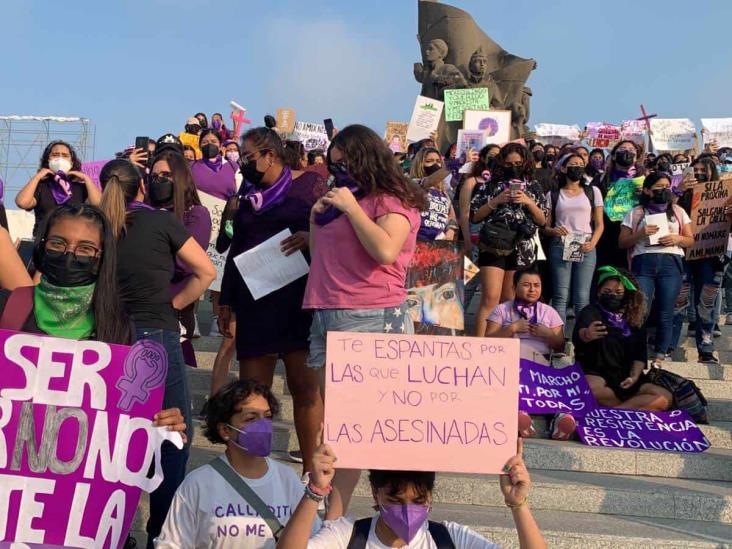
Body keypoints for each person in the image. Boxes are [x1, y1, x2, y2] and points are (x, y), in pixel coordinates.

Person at [99, 159, 216, 547]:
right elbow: (206, 272)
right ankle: (162, 533)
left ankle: (105, 529)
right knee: (174, 434)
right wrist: (174, 305)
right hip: (156, 335)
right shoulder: (162, 222)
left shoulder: (94, 226)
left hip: (107, 337)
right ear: (143, 189)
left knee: (111, 434)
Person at [218, 127, 327, 474]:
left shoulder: (309, 186)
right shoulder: (245, 195)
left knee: (305, 389)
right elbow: (234, 246)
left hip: (298, 302)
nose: (245, 164)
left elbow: (333, 231)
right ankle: (254, 470)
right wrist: (226, 300)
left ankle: (313, 472)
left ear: (271, 155)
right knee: (253, 394)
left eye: (249, 157)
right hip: (256, 303)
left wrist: (312, 238)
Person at [275, 437, 547, 549]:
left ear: (430, 496)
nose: (407, 510)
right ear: (375, 494)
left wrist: (518, 504)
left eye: (418, 501)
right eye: (395, 500)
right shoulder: (347, 536)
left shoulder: (449, 539)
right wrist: (315, 491)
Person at [155, 380, 322, 548]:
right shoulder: (198, 484)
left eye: (268, 416)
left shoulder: (287, 479)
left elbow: (315, 538)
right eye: (251, 418)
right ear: (225, 430)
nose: (263, 426)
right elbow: (170, 544)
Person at [470, 143, 547, 337]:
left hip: (521, 247)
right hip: (494, 244)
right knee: (490, 298)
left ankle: (502, 347)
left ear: (526, 163)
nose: (513, 167)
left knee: (509, 299)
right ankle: (479, 346)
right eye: (509, 163)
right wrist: (496, 201)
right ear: (501, 163)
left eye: (518, 163)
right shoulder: (490, 185)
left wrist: (528, 201)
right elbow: (475, 216)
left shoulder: (534, 186)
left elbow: (542, 220)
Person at [573, 266, 672, 411]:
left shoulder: (635, 317)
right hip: (596, 372)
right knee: (590, 390)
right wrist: (587, 334)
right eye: (607, 292)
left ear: (626, 293)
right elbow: (580, 334)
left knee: (664, 397)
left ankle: (618, 411)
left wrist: (634, 376)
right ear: (599, 291)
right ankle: (630, 410)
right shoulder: (590, 311)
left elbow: (640, 355)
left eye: (618, 292)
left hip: (627, 377)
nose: (613, 295)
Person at [619, 172, 692, 364]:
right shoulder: (636, 212)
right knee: (641, 308)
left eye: (667, 186)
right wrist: (641, 234)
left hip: (671, 263)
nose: (664, 190)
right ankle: (637, 352)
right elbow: (622, 242)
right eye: (659, 187)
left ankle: (660, 353)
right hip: (644, 262)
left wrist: (677, 238)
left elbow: (690, 239)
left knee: (666, 310)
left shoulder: (678, 211)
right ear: (647, 190)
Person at [150, 151, 212, 340]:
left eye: (166, 176)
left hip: (174, 308)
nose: (159, 181)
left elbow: (183, 264)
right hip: (143, 306)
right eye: (154, 177)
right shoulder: (146, 212)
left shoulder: (196, 214)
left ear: (180, 178)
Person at [673, 157, 729, 363]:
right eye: (694, 169)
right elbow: (664, 212)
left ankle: (705, 349)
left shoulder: (724, 196)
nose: (697, 173)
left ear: (711, 172)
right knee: (679, 301)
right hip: (684, 256)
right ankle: (669, 345)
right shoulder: (679, 193)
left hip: (710, 258)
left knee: (705, 305)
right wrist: (678, 191)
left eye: (702, 170)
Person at [544, 153, 604, 325]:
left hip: (585, 244)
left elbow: (599, 224)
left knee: (582, 296)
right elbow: (546, 226)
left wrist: (593, 242)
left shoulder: (593, 191)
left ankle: (582, 340)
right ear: (563, 168)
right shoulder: (553, 194)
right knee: (561, 295)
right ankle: (558, 341)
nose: (577, 167)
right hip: (561, 244)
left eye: (580, 164)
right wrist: (554, 231)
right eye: (573, 164)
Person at [15, 140, 102, 235]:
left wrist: (86, 179)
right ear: (48, 160)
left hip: (74, 240)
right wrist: (37, 177)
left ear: (71, 162)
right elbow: (22, 203)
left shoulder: (81, 187)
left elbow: (98, 204)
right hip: (44, 240)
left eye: (65, 155)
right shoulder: (41, 186)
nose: (60, 158)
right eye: (55, 155)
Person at [485, 266, 564, 358]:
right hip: (508, 359)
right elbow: (487, 343)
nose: (532, 290)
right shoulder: (501, 309)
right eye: (526, 285)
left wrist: (549, 334)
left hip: (540, 363)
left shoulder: (549, 312)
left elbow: (560, 347)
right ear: (514, 287)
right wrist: (511, 329)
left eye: (536, 285)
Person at [593, 140, 645, 269]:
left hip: (635, 233)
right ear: (614, 155)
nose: (627, 152)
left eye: (631, 150)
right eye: (622, 149)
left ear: (637, 157)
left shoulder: (646, 178)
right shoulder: (601, 178)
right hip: (607, 233)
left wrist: (646, 194)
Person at [410, 147, 458, 241]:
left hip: (438, 245)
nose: (435, 164)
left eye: (438, 161)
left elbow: (451, 216)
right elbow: (429, 182)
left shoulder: (443, 192)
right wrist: (454, 164)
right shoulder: (412, 184)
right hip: (417, 241)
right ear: (420, 164)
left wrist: (450, 231)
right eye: (429, 161)